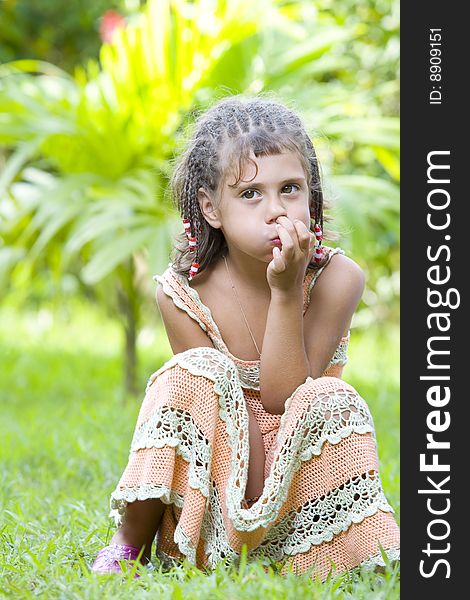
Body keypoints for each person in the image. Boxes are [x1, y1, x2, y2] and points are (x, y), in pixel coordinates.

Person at [91, 95, 400, 581]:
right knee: (193, 374)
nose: (275, 210)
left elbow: (285, 400)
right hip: (217, 486)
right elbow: (221, 421)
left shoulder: (338, 279)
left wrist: (287, 291)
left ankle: (325, 555)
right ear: (211, 208)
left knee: (333, 395)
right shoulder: (183, 295)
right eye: (251, 193)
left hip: (301, 480)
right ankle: (127, 546)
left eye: (291, 189)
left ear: (312, 197)